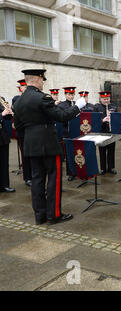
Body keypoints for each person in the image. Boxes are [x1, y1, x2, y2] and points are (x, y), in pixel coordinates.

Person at [13, 69, 86, 225]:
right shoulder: (42, 98)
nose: (43, 82)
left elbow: (18, 127)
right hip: (48, 144)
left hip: (31, 145)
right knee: (54, 179)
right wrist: (78, 106)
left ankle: (40, 216)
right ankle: (54, 215)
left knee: (37, 180)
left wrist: (29, 140)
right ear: (37, 79)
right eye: (42, 80)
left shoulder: (18, 101)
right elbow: (61, 116)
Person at [12, 79, 32, 187]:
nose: (25, 88)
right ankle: (27, 177)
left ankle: (33, 174)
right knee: (25, 155)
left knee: (32, 154)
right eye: (24, 87)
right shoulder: (17, 99)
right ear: (21, 88)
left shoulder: (31, 98)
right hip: (23, 131)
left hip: (31, 131)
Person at [94, 91, 117, 175]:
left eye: (107, 99)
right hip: (101, 132)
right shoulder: (97, 107)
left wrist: (112, 119)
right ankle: (103, 168)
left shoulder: (113, 107)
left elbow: (117, 119)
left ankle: (111, 167)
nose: (106, 100)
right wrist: (102, 120)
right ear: (100, 99)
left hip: (111, 132)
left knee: (111, 150)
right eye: (104, 99)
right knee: (102, 151)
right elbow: (94, 121)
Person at [59, 87, 77, 181]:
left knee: (77, 153)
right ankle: (71, 173)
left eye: (72, 94)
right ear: (65, 95)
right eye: (69, 94)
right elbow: (62, 118)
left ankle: (78, 171)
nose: (71, 96)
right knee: (69, 154)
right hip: (67, 132)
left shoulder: (76, 104)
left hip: (76, 132)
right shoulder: (62, 105)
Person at [0, 96, 15, 193]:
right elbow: (2, 115)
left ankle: (4, 185)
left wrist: (9, 111)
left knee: (4, 162)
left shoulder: (1, 99)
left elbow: (8, 118)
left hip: (2, 136)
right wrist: (1, 114)